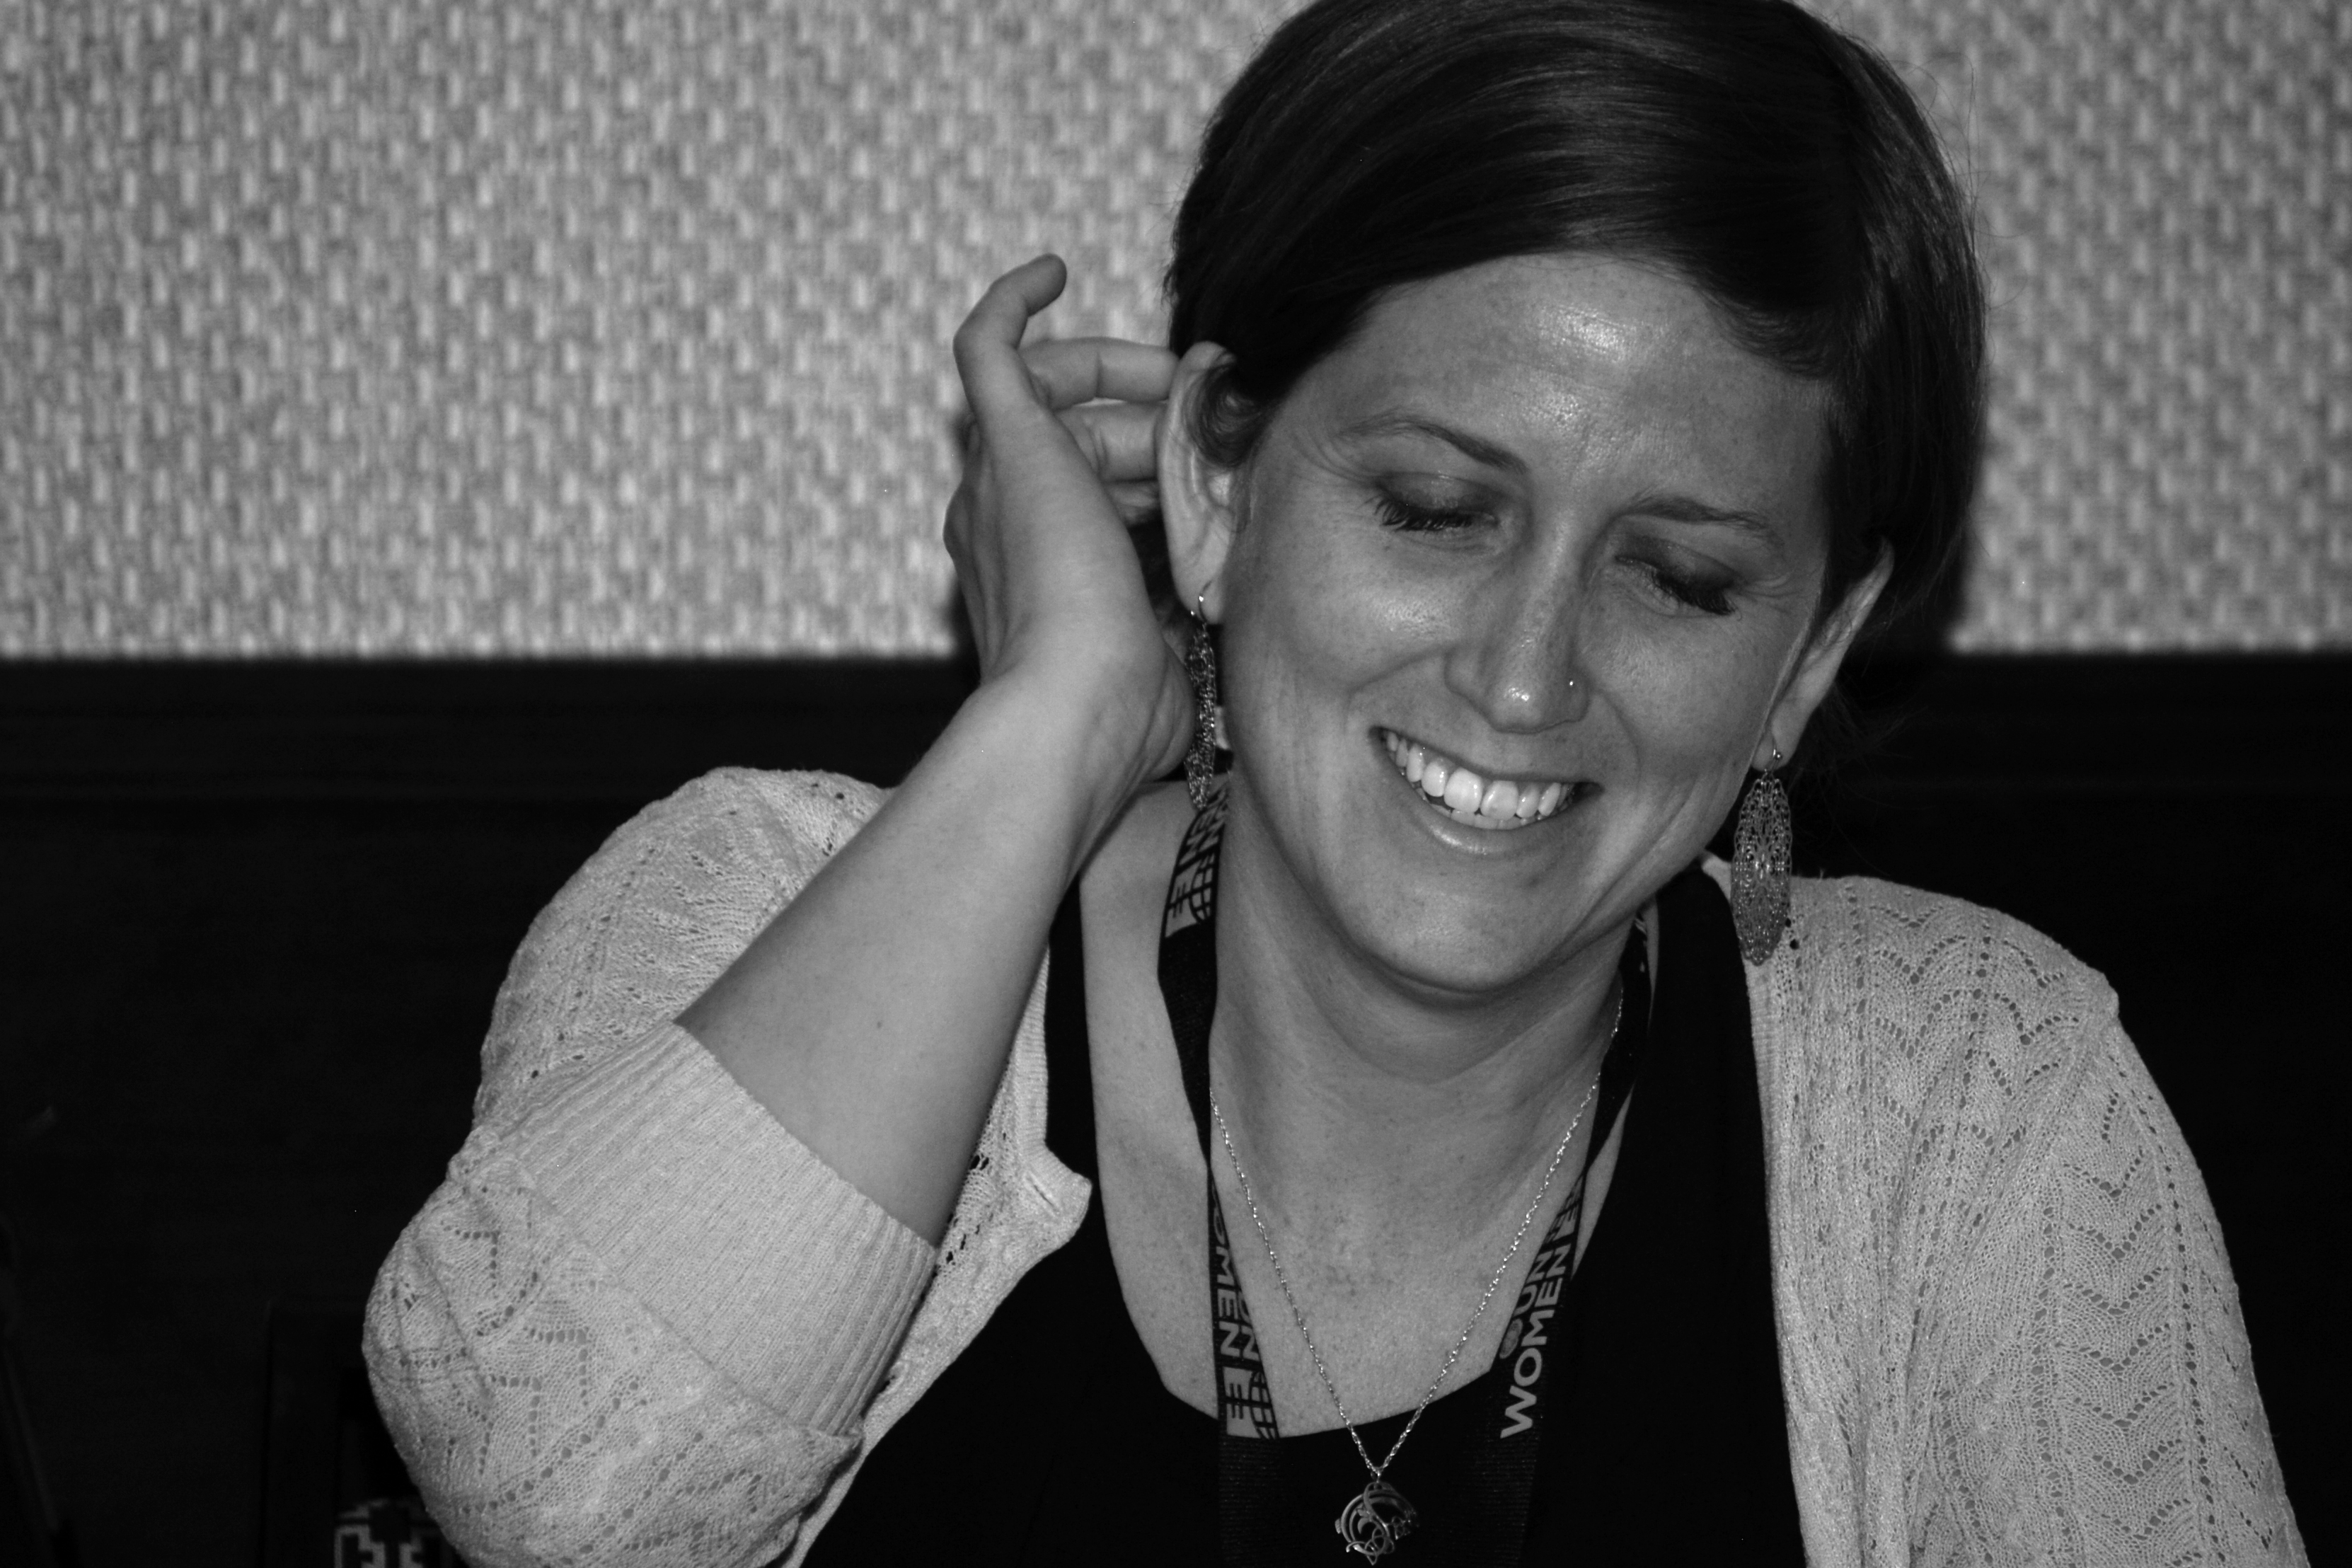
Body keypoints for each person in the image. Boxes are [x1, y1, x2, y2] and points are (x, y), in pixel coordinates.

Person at [365, 0, 2306, 1562]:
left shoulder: (1980, 1107)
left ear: (1804, 652)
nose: (1525, 675)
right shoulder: (756, 912)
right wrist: (1056, 716)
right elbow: (550, 1504)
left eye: (1679, 577)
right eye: (1436, 507)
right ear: (1219, 479)